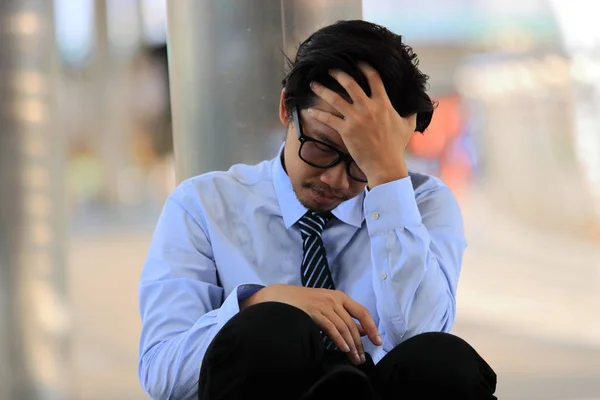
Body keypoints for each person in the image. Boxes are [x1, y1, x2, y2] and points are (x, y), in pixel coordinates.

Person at [138, 19, 497, 400]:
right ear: (286, 109)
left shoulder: (421, 204)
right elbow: (163, 375)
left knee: (445, 359)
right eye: (322, 148)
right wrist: (258, 301)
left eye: (361, 159)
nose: (337, 181)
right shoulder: (203, 205)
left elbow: (422, 337)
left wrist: (388, 178)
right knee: (270, 329)